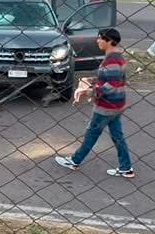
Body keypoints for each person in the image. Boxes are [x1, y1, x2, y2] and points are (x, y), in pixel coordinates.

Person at [55, 28, 133, 178]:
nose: (97, 41)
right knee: (117, 135)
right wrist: (90, 81)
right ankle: (126, 167)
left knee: (92, 133)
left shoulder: (112, 59)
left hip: (106, 106)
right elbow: (112, 79)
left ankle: (75, 160)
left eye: (100, 38)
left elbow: (113, 84)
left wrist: (90, 91)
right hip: (116, 105)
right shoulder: (116, 57)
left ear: (109, 41)